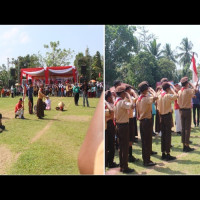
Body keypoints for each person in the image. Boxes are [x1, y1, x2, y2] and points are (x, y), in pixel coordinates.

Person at [114, 85, 135, 173]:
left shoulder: (116, 102)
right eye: (124, 92)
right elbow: (132, 105)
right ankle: (125, 167)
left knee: (121, 147)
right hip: (124, 126)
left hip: (118, 126)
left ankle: (122, 165)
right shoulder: (122, 102)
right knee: (125, 147)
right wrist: (129, 96)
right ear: (122, 93)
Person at [136, 81, 157, 167]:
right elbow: (156, 97)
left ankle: (146, 159)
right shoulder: (145, 99)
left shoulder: (139, 99)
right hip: (147, 121)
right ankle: (147, 161)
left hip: (142, 121)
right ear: (145, 90)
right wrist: (152, 91)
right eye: (147, 89)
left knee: (144, 142)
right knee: (148, 141)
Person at [157, 82, 178, 161]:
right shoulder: (167, 96)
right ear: (168, 89)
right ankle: (168, 153)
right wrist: (172, 89)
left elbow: (158, 108)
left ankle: (163, 153)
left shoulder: (159, 96)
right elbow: (176, 96)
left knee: (163, 135)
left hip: (161, 116)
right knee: (168, 135)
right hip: (167, 116)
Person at [177, 77, 197, 152]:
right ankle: (187, 145)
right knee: (187, 128)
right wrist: (193, 84)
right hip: (187, 110)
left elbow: (178, 102)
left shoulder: (179, 91)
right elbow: (195, 90)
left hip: (181, 110)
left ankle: (183, 145)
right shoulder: (188, 90)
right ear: (186, 84)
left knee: (183, 128)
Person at [124, 84, 139, 163]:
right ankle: (129, 156)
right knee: (129, 139)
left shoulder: (127, 99)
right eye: (130, 90)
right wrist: (133, 92)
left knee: (130, 139)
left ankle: (129, 155)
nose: (131, 91)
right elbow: (136, 98)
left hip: (129, 119)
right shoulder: (127, 99)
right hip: (128, 120)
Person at [105, 90, 119, 168]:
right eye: (111, 96)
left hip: (109, 124)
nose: (112, 98)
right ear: (108, 97)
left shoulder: (107, 104)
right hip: (109, 125)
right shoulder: (108, 105)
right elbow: (113, 110)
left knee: (109, 145)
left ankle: (108, 162)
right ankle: (110, 162)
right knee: (111, 145)